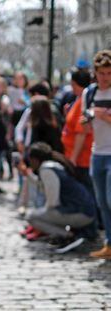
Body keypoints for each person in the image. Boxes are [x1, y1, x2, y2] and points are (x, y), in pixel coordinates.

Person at [22, 142, 97, 248]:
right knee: (41, 214)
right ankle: (65, 234)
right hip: (85, 211)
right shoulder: (54, 165)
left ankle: (68, 236)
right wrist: (28, 174)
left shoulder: (46, 170)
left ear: (35, 159)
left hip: (81, 214)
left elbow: (53, 202)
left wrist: (42, 213)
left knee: (31, 217)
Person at [84, 50, 111, 259]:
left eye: (109, 73)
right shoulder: (90, 93)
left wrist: (106, 117)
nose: (106, 77)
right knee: (102, 202)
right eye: (102, 73)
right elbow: (85, 126)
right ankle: (109, 244)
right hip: (97, 153)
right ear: (96, 73)